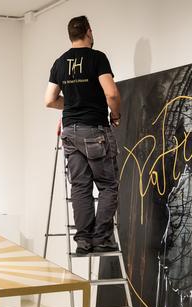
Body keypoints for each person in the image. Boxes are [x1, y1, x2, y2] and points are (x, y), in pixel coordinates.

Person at [44, 15, 121, 255]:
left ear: (70, 35)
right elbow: (112, 94)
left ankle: (83, 242)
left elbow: (49, 100)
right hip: (94, 130)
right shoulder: (97, 58)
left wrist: (71, 106)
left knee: (80, 187)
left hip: (69, 132)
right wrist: (115, 115)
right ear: (88, 31)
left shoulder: (60, 63)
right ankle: (102, 239)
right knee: (108, 186)